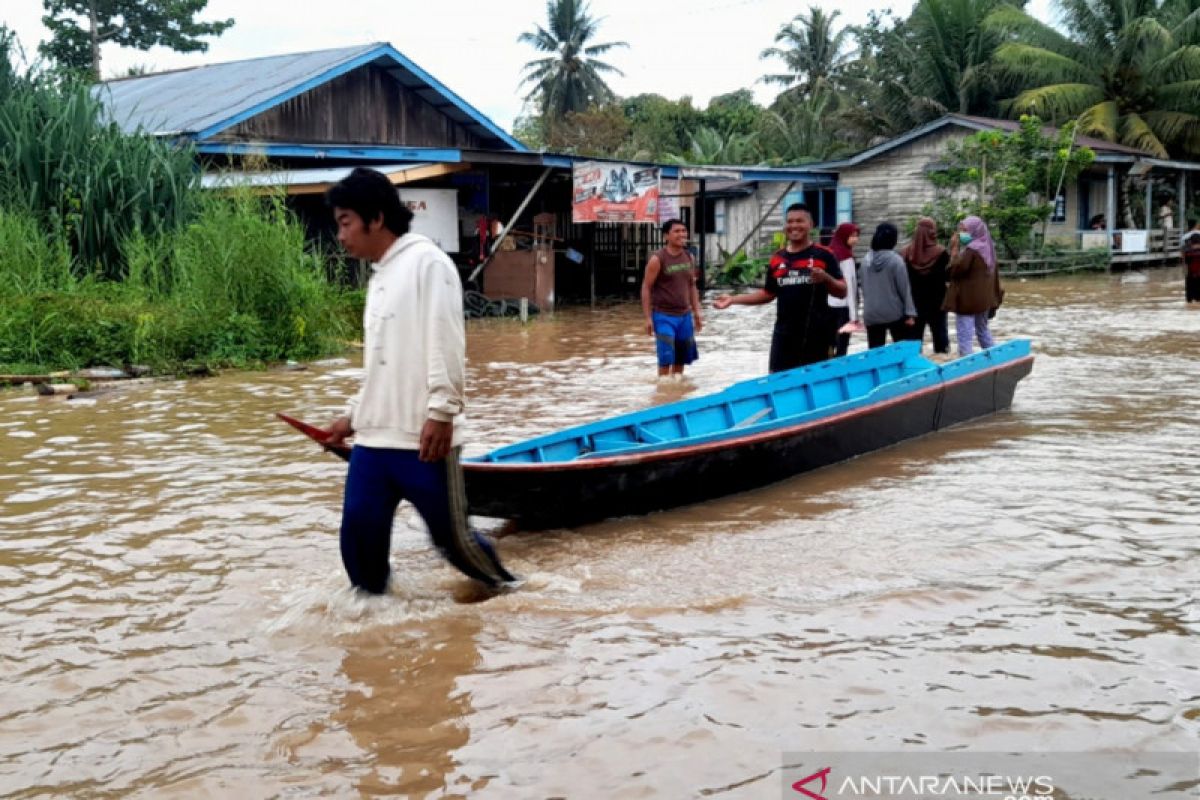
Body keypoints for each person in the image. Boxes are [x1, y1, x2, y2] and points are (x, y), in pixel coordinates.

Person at [322, 167, 515, 594]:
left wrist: (442, 413)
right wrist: (350, 417)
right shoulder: (379, 276)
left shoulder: (428, 263)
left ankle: (511, 593)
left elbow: (446, 343)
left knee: (454, 543)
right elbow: (381, 362)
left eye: (345, 222)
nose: (341, 235)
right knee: (358, 535)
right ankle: (373, 623)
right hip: (373, 441)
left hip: (423, 440)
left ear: (375, 218)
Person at [713, 203, 847, 372]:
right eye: (790, 222)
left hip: (818, 336)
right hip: (784, 336)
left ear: (811, 225)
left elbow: (843, 291)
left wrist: (825, 278)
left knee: (816, 383)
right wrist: (733, 299)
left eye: (800, 221)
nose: (794, 226)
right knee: (777, 381)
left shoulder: (824, 254)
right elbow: (768, 293)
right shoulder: (778, 259)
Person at [641, 218, 703, 378]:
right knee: (666, 358)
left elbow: (692, 286)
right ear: (665, 236)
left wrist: (697, 312)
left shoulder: (689, 257)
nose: (682, 234)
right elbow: (646, 287)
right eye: (677, 231)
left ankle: (676, 391)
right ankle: (663, 393)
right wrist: (648, 318)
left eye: (684, 231)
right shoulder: (657, 259)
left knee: (681, 359)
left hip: (684, 316)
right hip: (663, 316)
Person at [944, 215, 1003, 356]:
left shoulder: (971, 251)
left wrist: (953, 251)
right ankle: (996, 358)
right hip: (984, 301)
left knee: (965, 335)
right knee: (982, 330)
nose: (962, 234)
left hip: (968, 302)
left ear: (975, 231)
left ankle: (967, 365)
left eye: (965, 230)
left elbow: (954, 271)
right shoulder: (989, 250)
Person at [859, 222, 916, 349]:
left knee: (875, 353)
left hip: (871, 313)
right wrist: (910, 313)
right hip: (894, 313)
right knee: (901, 350)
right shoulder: (896, 260)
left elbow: (864, 287)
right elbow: (904, 289)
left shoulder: (865, 260)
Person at [903, 216, 951, 354]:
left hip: (914, 304)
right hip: (938, 303)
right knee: (941, 340)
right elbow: (948, 277)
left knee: (913, 343)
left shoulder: (905, 253)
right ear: (931, 232)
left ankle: (914, 371)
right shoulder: (941, 253)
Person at [826, 222, 860, 356]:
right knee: (842, 344)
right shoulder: (846, 258)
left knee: (829, 342)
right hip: (843, 307)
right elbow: (850, 287)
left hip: (828, 305)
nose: (855, 239)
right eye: (852, 236)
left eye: (857, 236)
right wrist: (854, 316)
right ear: (844, 236)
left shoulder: (829, 253)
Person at [1183, 223, 1200, 303]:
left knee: (1189, 300)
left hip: (1190, 276)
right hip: (1196, 276)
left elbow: (1185, 262)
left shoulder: (1188, 252)